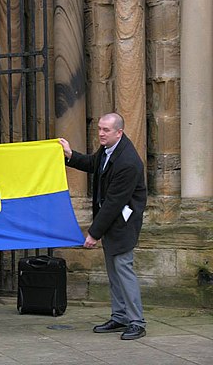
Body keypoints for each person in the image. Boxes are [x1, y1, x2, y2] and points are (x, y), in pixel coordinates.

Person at [59, 112, 147, 340]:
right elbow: (93, 164)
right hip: (111, 223)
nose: (100, 133)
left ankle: (137, 322)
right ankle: (119, 317)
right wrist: (70, 155)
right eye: (99, 128)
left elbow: (114, 203)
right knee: (114, 273)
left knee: (124, 270)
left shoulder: (127, 161)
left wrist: (93, 234)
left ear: (119, 132)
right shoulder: (109, 150)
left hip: (123, 224)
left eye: (106, 130)